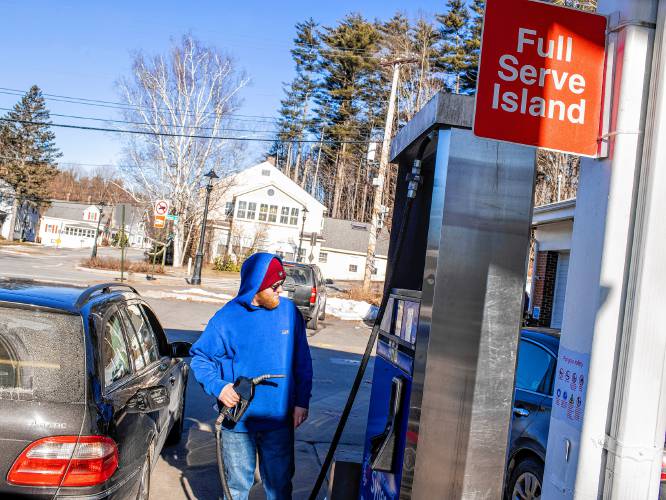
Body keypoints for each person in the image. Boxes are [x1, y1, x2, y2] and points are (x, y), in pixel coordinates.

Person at [190, 252, 313, 500]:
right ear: (257, 286)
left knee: (279, 488)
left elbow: (302, 361)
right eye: (275, 286)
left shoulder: (289, 313)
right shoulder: (226, 319)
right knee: (235, 489)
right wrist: (220, 387)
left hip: (278, 420)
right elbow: (200, 358)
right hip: (237, 423)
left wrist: (302, 401)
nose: (281, 290)